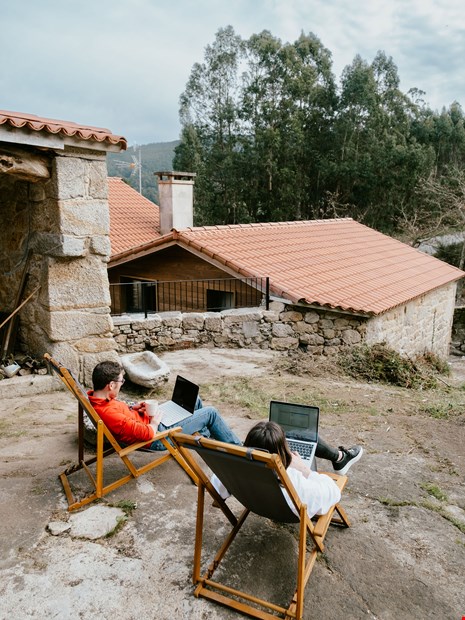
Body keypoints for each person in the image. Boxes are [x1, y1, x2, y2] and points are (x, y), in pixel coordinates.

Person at [88, 360, 241, 450]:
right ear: (111, 385)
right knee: (210, 413)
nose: (122, 384)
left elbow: (123, 417)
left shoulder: (99, 399)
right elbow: (147, 434)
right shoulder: (108, 412)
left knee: (194, 400)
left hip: (152, 422)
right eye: (122, 381)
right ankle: (240, 450)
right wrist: (155, 420)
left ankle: (205, 439)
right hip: (158, 437)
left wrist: (134, 409)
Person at [212, 420, 345, 519]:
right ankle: (341, 457)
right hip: (287, 516)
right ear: (282, 451)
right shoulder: (293, 480)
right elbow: (333, 494)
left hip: (256, 505)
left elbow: (217, 487)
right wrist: (306, 471)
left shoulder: (233, 470)